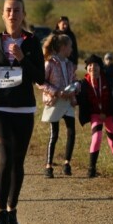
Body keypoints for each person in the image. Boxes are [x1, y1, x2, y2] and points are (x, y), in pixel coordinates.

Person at [0, 0, 45, 224]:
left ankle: (12, 210)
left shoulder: (32, 42)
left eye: (17, 11)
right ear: (2, 13)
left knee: (18, 162)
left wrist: (22, 59)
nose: (12, 15)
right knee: (5, 159)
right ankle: (0, 214)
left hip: (23, 108)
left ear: (23, 14)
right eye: (8, 10)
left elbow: (40, 77)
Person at [76, 54, 113, 178]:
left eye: (95, 66)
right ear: (86, 68)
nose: (92, 68)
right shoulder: (84, 83)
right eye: (89, 66)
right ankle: (92, 168)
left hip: (110, 112)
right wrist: (74, 100)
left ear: (100, 68)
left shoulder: (109, 79)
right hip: (95, 114)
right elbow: (80, 98)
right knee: (97, 137)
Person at [37, 34, 77, 178]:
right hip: (54, 102)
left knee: (71, 131)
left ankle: (67, 163)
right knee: (54, 133)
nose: (72, 49)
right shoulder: (50, 63)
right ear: (63, 47)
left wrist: (74, 91)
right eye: (70, 46)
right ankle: (48, 166)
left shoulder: (70, 64)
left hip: (67, 102)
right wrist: (57, 92)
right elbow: (41, 82)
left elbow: (73, 80)